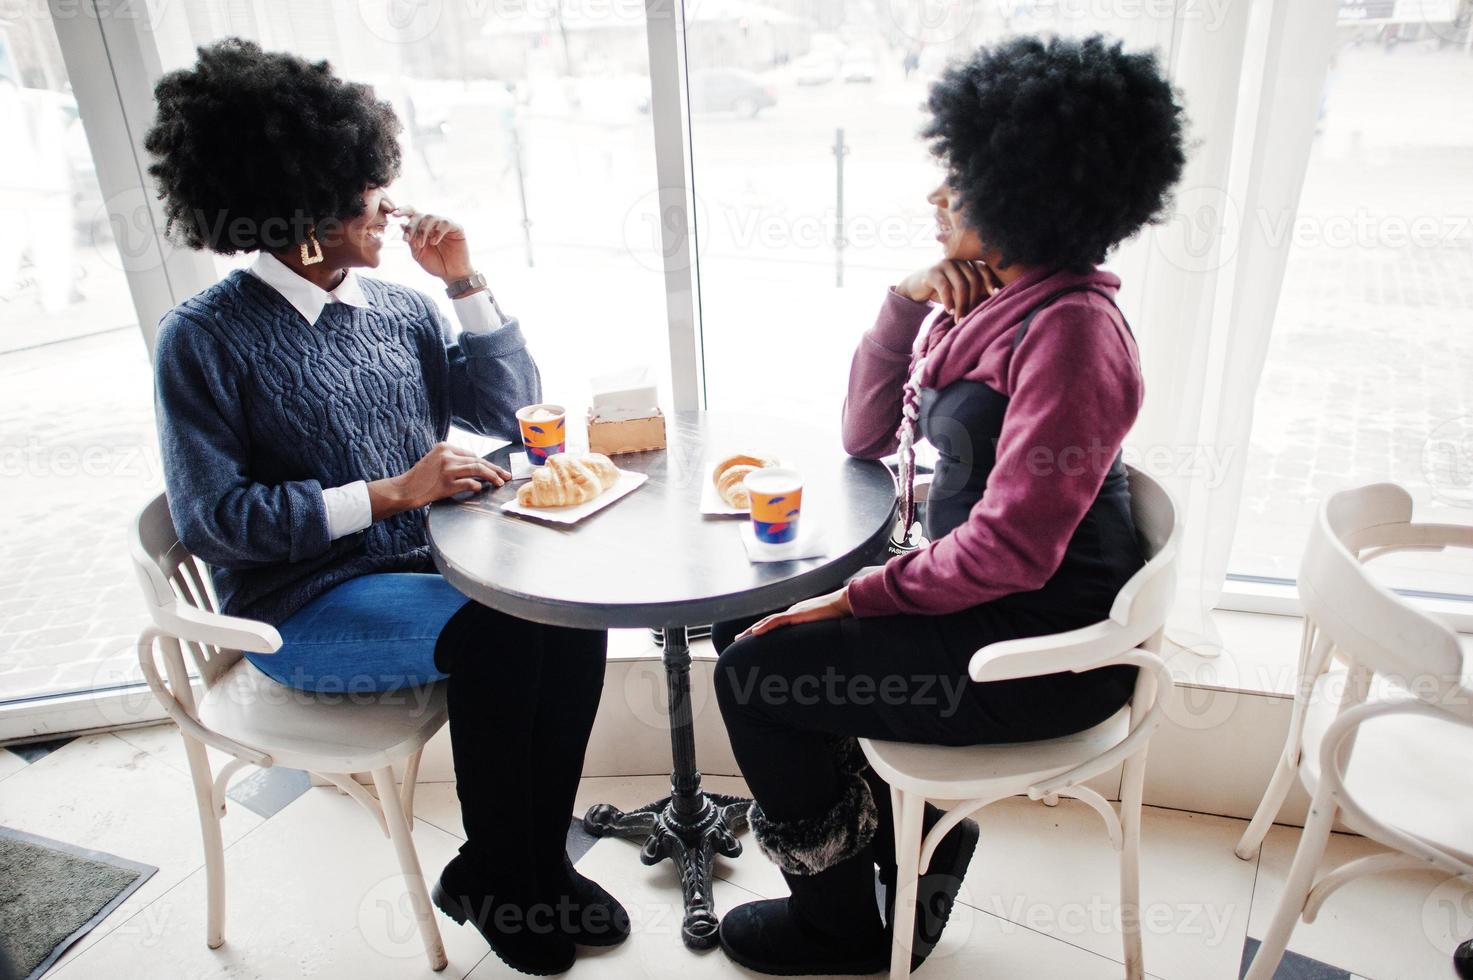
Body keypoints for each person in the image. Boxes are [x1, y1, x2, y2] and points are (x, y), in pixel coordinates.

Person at [712, 35, 1187, 975]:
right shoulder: (995, 306)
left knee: (753, 676)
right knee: (749, 613)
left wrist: (859, 596)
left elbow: (1012, 550)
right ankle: (911, 841)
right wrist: (902, 301)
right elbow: (859, 435)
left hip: (1041, 644)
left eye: (960, 183)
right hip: (985, 600)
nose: (936, 199)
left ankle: (838, 930)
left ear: (1029, 198)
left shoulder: (1072, 332)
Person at [146, 39, 622, 975]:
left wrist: (464, 283)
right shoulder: (201, 340)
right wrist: (392, 494)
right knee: (504, 635)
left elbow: (507, 410)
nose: (391, 208)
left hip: (423, 571)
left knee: (568, 616)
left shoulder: (398, 307)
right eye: (370, 195)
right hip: (300, 607)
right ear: (303, 217)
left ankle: (518, 864)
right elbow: (216, 519)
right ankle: (508, 879)